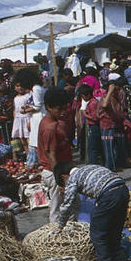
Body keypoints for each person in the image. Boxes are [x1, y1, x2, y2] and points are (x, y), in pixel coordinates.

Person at [54, 162, 128, 261]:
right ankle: (120, 258)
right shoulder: (90, 167)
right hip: (123, 190)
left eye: (63, 183)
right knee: (115, 227)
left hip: (109, 195)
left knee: (97, 232)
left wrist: (60, 225)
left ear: (64, 176)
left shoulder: (72, 178)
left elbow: (67, 204)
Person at [38, 88, 73, 224]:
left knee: (69, 205)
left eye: (65, 108)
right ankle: (55, 236)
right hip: (55, 172)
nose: (63, 112)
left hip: (60, 171)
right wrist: (60, 181)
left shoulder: (53, 122)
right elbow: (51, 155)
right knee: (57, 209)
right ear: (48, 107)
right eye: (59, 109)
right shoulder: (49, 128)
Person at [98, 75, 126, 171]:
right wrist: (110, 91)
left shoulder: (116, 98)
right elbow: (105, 105)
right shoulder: (106, 97)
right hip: (106, 127)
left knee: (113, 148)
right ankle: (110, 168)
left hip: (113, 126)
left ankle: (113, 166)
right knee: (108, 148)